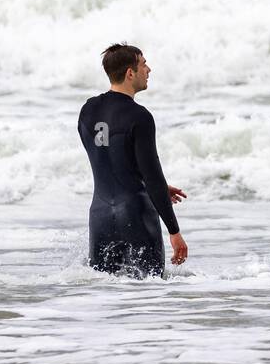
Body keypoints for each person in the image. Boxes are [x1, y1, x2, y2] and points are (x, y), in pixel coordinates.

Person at [78, 43, 188, 277]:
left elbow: (106, 158)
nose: (149, 69)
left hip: (100, 217)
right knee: (149, 297)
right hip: (135, 215)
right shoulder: (140, 116)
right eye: (143, 64)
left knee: (104, 295)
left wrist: (138, 180)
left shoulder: (87, 110)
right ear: (130, 73)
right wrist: (174, 232)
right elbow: (152, 175)